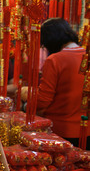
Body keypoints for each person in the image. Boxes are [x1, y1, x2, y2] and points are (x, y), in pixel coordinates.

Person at [22, 18, 89, 149]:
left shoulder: (55, 60)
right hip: (85, 129)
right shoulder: (86, 55)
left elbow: (43, 100)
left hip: (61, 131)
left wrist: (26, 98)